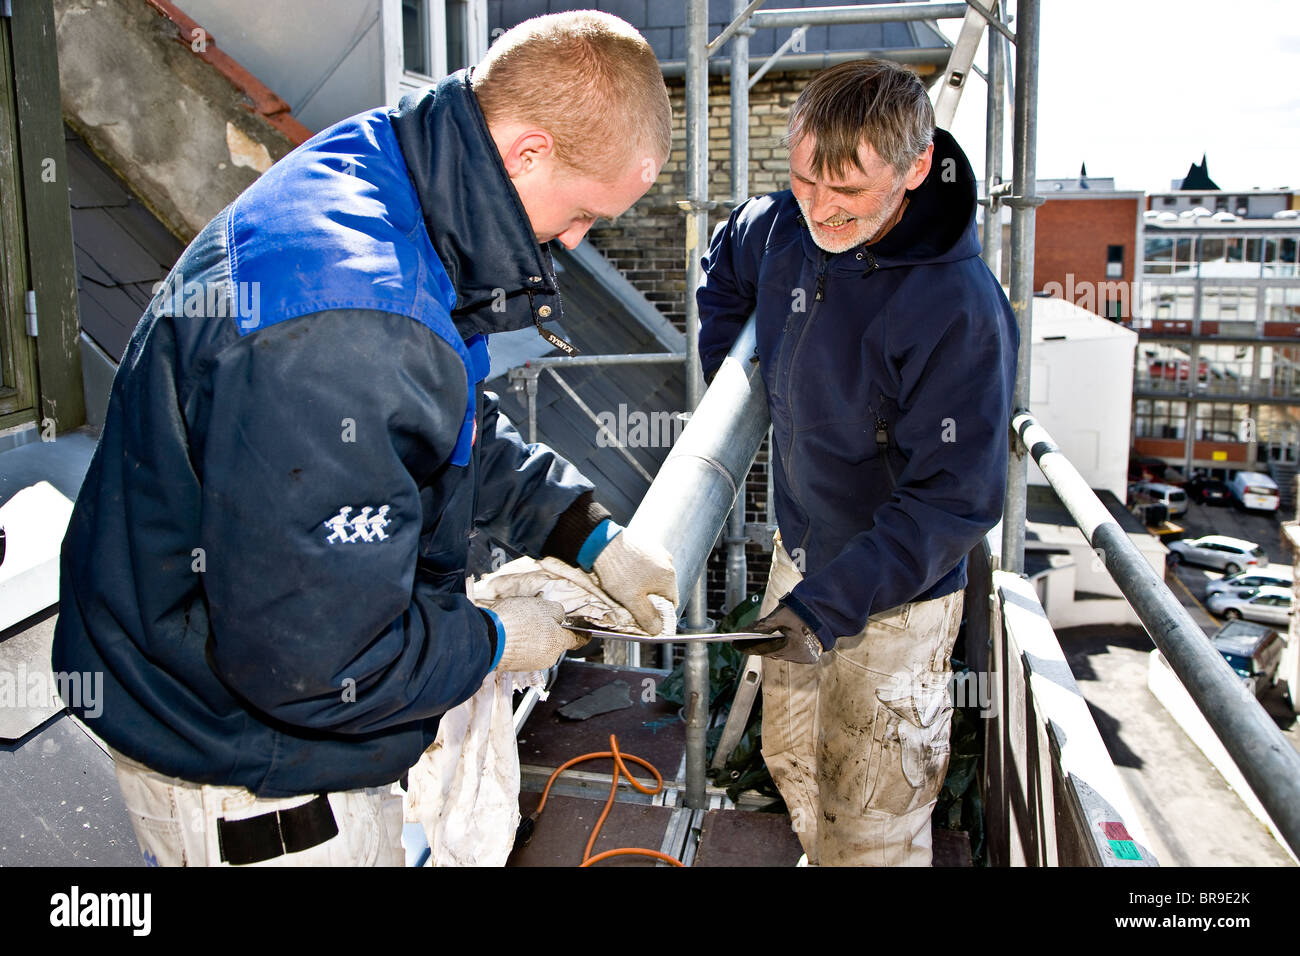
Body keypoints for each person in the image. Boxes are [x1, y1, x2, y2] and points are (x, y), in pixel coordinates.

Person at [53, 11, 677, 867]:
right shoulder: (352, 323)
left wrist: (581, 528)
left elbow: (431, 413)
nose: (573, 246)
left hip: (218, 692)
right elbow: (319, 665)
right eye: (580, 215)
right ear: (529, 151)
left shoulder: (395, 171)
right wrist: (498, 640)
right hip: (255, 775)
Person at [697, 59, 1018, 866]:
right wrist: (737, 382)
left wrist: (827, 605)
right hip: (800, 555)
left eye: (848, 191)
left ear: (916, 168)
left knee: (871, 819)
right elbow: (725, 266)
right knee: (793, 758)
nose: (821, 211)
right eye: (805, 182)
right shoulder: (781, 227)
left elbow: (952, 503)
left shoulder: (959, 310)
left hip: (895, 599)